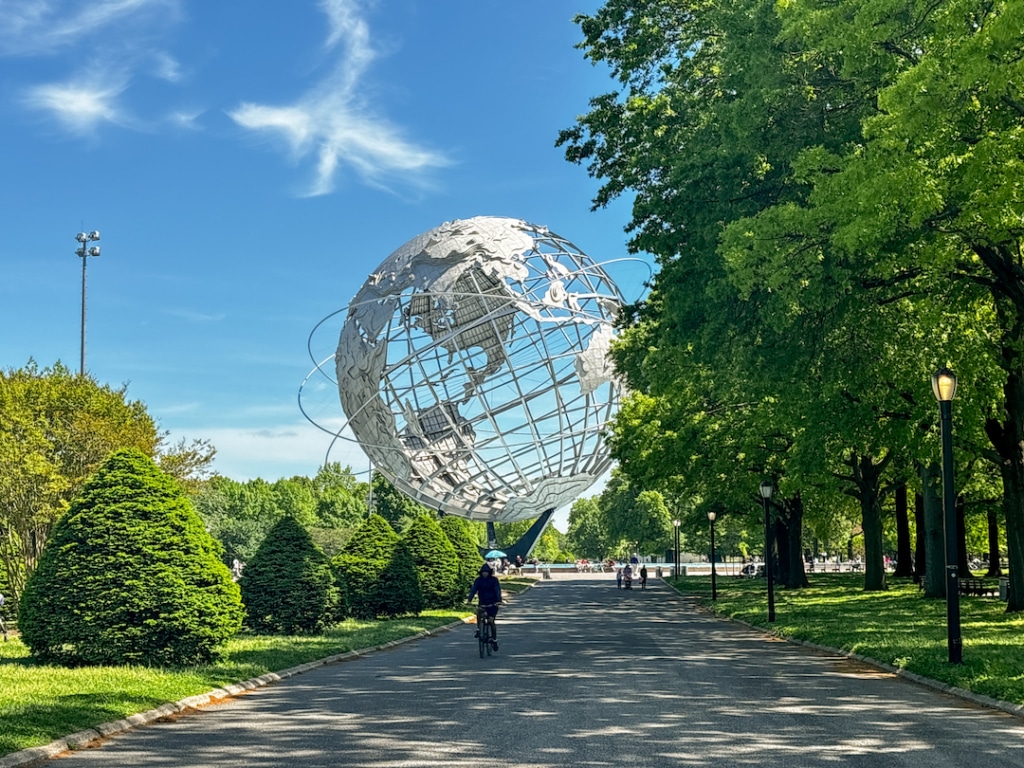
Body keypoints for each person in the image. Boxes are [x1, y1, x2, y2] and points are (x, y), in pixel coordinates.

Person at [467, 563, 503, 649]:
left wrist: (499, 601)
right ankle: (479, 629)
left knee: (491, 621)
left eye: (486, 572)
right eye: (483, 572)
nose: (485, 574)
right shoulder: (478, 580)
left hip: (493, 603)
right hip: (482, 602)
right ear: (481, 573)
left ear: (489, 572)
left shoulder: (494, 580)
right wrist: (469, 600)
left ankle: (494, 640)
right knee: (479, 612)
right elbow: (473, 590)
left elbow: (497, 590)